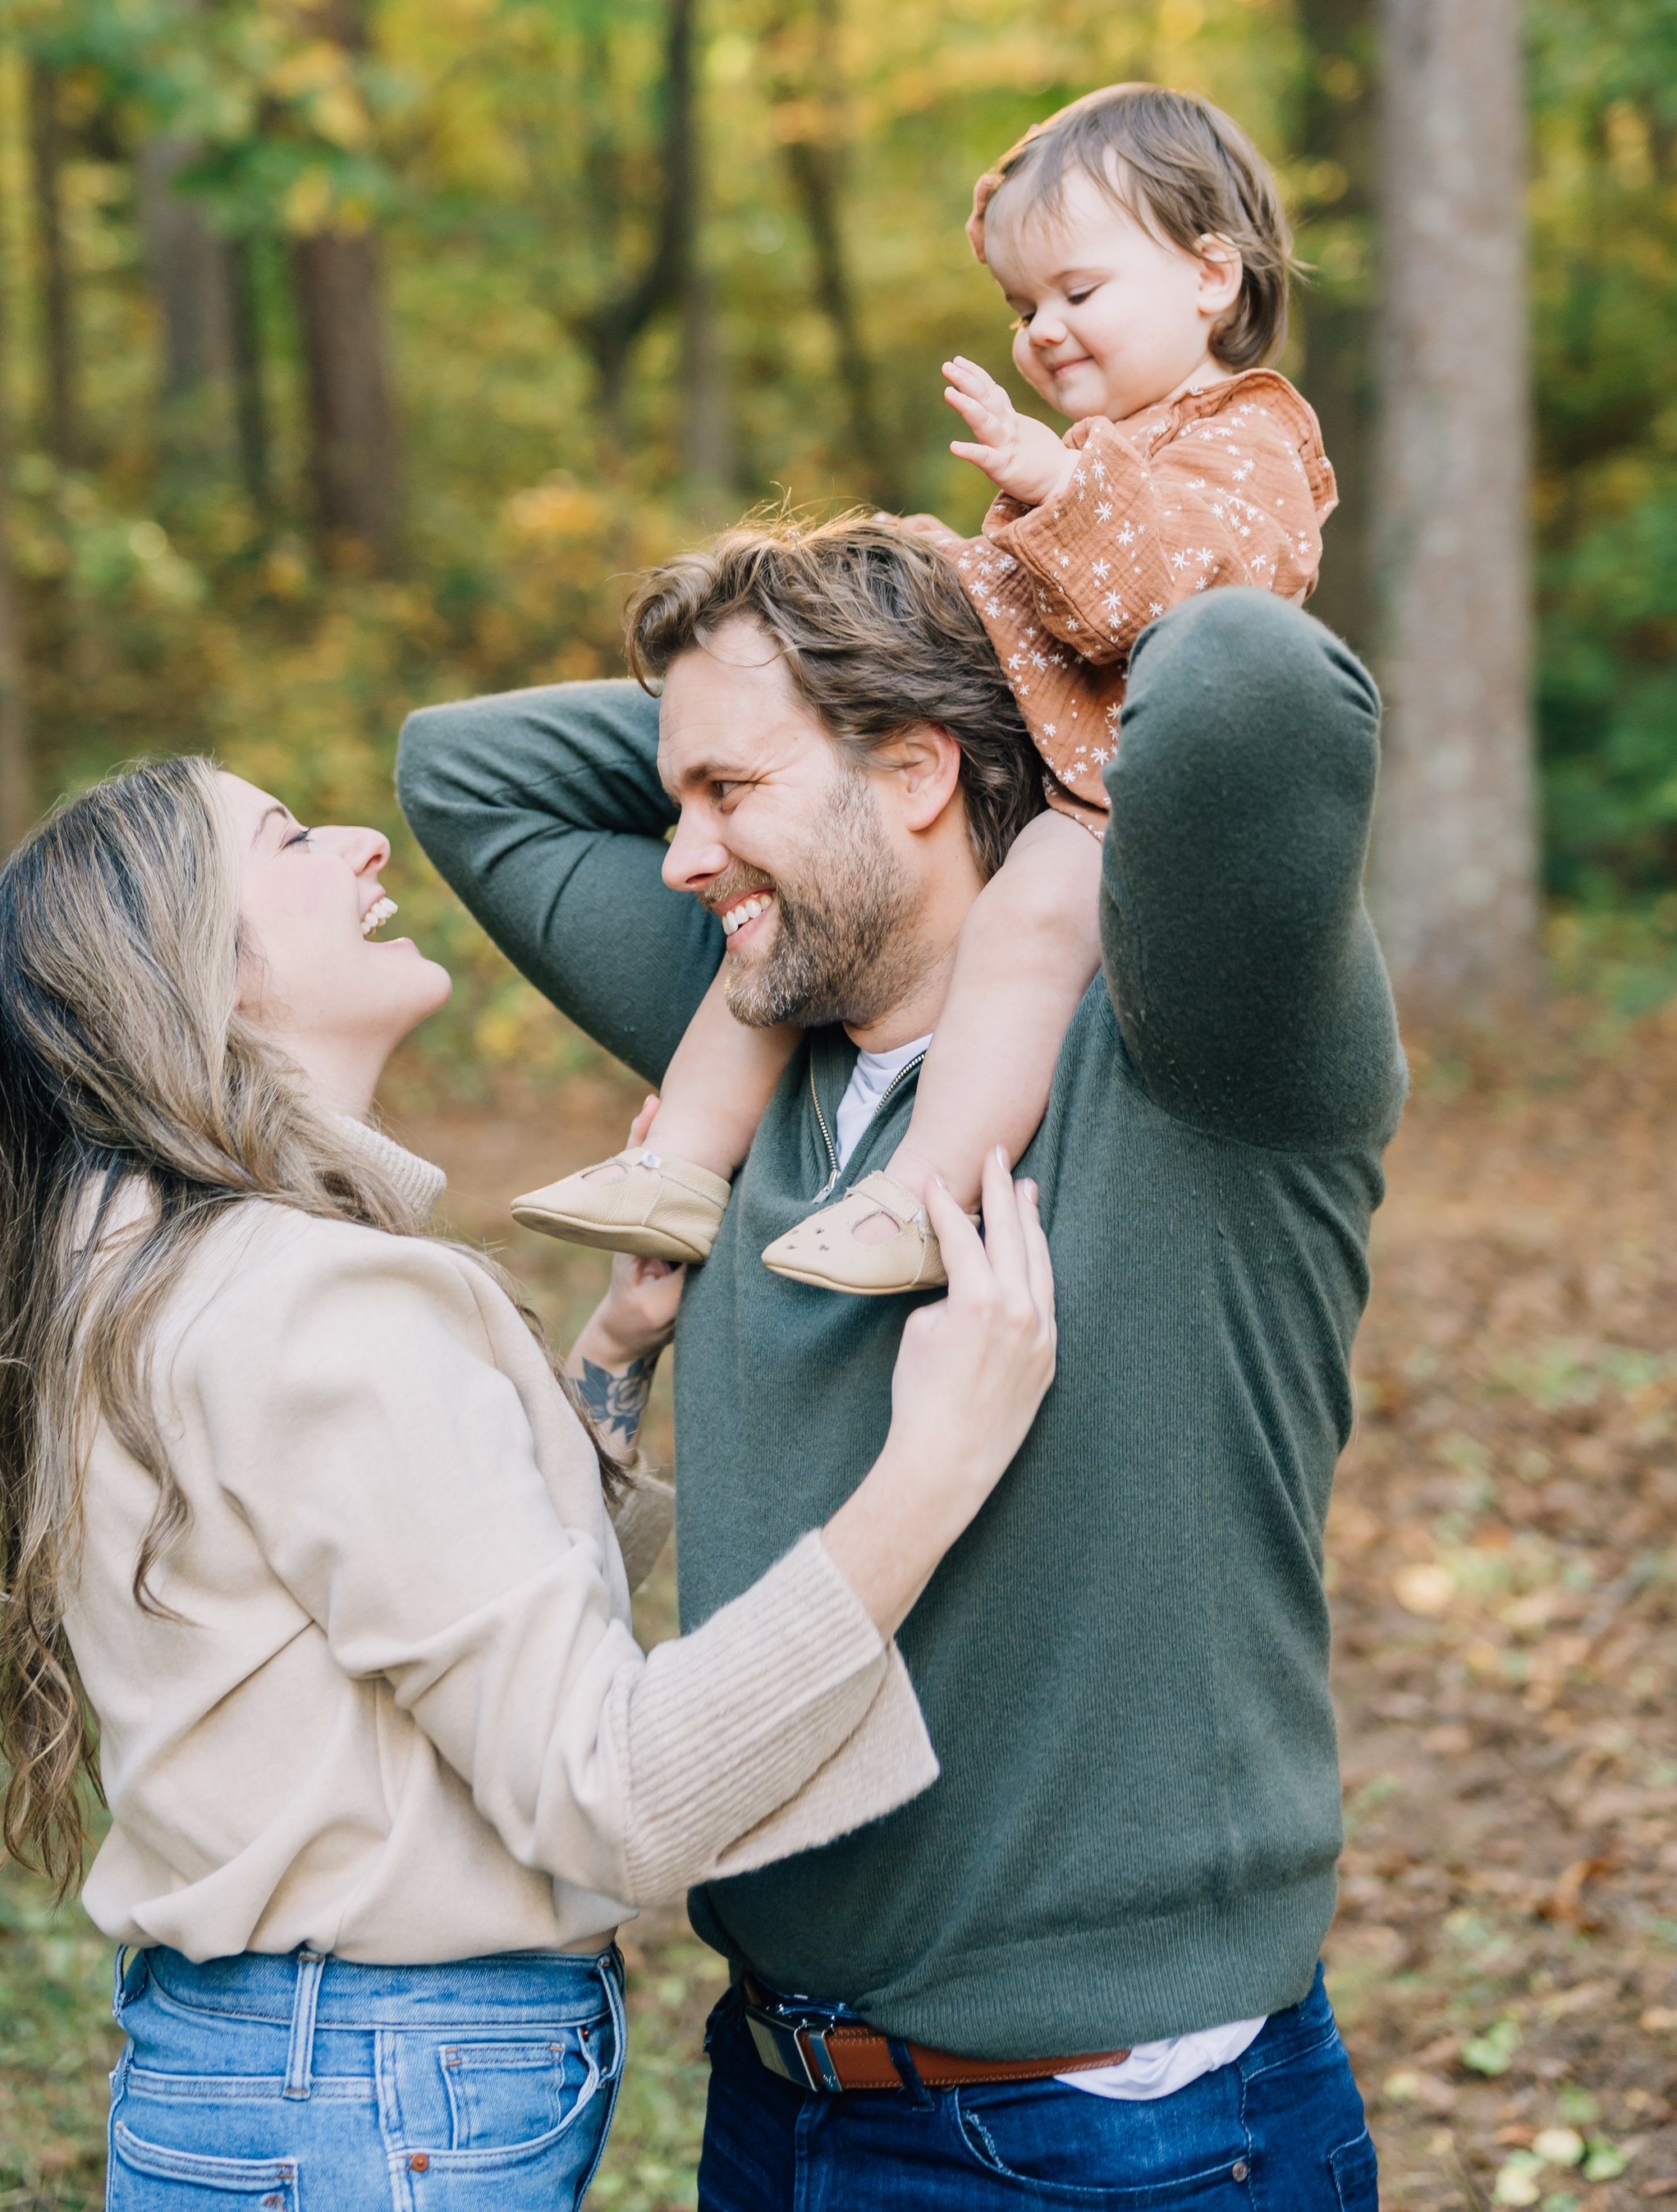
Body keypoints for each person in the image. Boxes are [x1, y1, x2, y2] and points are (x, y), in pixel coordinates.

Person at [397, 523, 1404, 2209]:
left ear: (922, 770)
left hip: (1115, 2136)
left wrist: (1018, 626)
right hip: (781, 2097)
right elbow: (460, 770)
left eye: (726, 788)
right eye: (673, 798)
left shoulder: (1198, 1043)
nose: (676, 857)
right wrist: (813, 666)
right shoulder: (750, 1021)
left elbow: (1244, 677)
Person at [0, 753, 1061, 2212]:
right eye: (284, 837)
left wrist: (604, 1360)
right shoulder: (319, 1308)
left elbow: (397, 1611)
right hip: (368, 2100)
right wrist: (939, 1457)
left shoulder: (145, 1269)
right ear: (194, 973)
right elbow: (606, 1791)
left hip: (284, 2074)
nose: (356, 841)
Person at [511, 83, 1336, 1296]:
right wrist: (908, 570)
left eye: (1077, 292)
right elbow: (1007, 613)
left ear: (1212, 275)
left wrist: (1056, 487)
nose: (1043, 329)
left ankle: (923, 1190)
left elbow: (1191, 602)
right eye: (1021, 305)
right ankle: (680, 1162)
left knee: (1025, 922)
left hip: (1133, 819)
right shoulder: (1094, 456)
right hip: (1027, 780)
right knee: (800, 900)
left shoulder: (1249, 439)